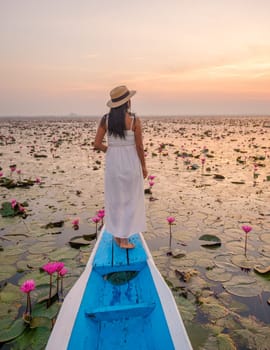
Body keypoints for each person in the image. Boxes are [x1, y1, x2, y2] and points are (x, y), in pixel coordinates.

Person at [94, 85, 147, 249]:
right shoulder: (134, 120)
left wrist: (111, 150)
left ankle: (118, 235)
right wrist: (144, 167)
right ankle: (124, 239)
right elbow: (139, 146)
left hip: (113, 164)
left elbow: (96, 144)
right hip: (131, 163)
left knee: (115, 199)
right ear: (127, 102)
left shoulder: (105, 119)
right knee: (130, 199)